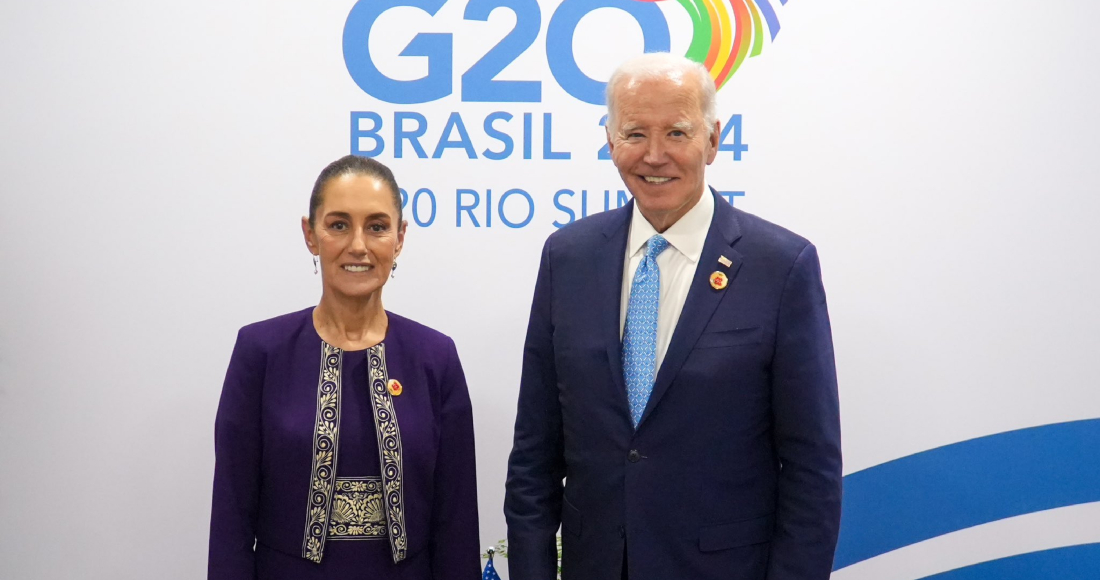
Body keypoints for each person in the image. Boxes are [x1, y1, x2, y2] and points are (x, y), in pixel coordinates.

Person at [504, 53, 842, 580]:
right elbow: (533, 456)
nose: (655, 156)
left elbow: (811, 470)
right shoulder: (566, 258)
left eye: (677, 133)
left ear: (713, 139)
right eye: (635, 133)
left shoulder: (782, 267)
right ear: (610, 140)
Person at [209, 155, 480, 580]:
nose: (358, 245)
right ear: (310, 235)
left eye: (377, 226)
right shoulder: (260, 353)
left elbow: (457, 523)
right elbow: (231, 517)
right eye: (338, 225)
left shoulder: (435, 357)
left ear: (400, 237)